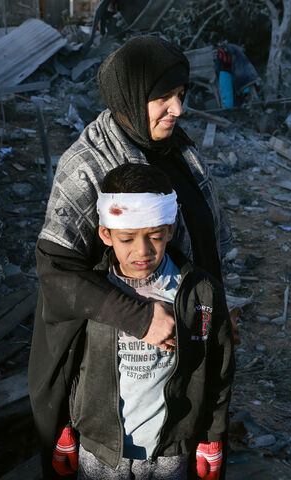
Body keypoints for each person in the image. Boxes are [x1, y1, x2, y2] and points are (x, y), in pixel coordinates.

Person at [28, 35, 233, 479]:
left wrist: (217, 308)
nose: (177, 110)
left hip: (176, 376)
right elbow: (56, 273)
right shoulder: (88, 166)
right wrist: (141, 318)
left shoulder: (177, 148)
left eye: (181, 96)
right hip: (106, 383)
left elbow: (203, 235)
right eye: (163, 98)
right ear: (130, 97)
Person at [54, 163, 234, 480]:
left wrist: (212, 435)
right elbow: (69, 361)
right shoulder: (92, 292)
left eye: (154, 236)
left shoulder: (199, 292)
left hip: (169, 449)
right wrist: (65, 426)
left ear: (169, 230)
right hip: (101, 448)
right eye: (127, 239)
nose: (142, 251)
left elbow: (218, 366)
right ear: (106, 234)